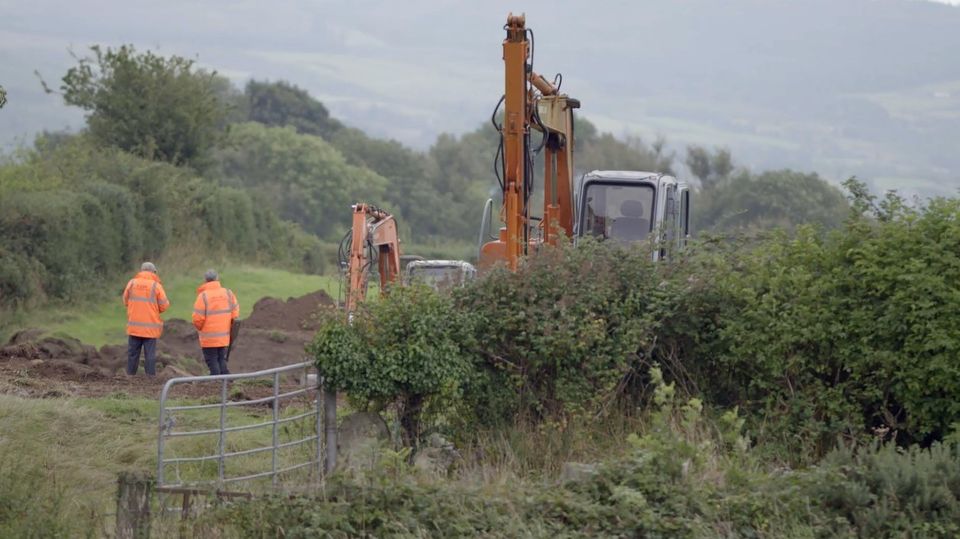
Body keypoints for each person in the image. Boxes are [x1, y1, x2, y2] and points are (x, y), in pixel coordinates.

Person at [123, 262, 169, 376]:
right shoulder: (156, 286)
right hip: (150, 327)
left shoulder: (132, 283)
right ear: (153, 272)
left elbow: (125, 301)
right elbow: (164, 305)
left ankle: (130, 377)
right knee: (150, 355)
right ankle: (150, 380)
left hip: (134, 327)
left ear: (141, 271)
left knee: (133, 354)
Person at [192, 269, 239, 375]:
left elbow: (197, 319)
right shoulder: (228, 293)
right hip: (224, 337)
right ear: (217, 278)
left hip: (209, 338)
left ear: (205, 280)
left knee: (212, 362)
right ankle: (226, 383)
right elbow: (235, 314)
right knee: (221, 359)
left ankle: (217, 384)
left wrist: (202, 329)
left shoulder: (203, 296)